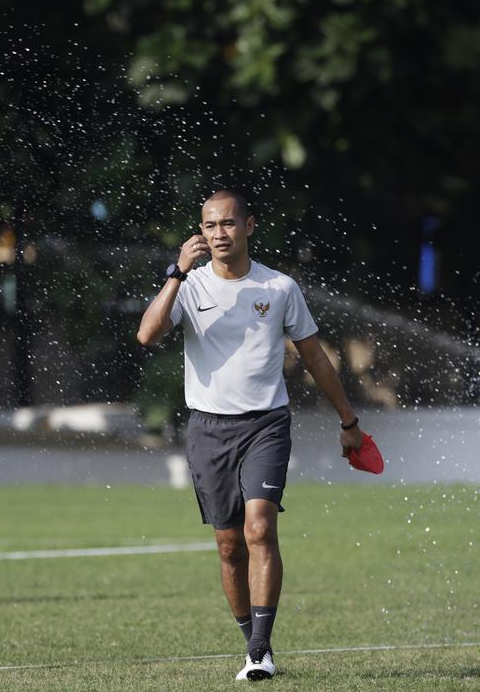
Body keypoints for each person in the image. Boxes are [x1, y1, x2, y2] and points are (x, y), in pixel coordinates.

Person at [136, 190, 363, 681]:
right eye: (209, 225)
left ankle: (260, 652)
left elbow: (315, 357)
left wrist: (348, 420)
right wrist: (175, 272)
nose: (219, 234)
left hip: (266, 424)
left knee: (259, 528)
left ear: (249, 226)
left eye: (228, 224)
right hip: (208, 429)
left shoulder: (279, 287)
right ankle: (252, 642)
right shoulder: (190, 286)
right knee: (228, 546)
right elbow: (147, 335)